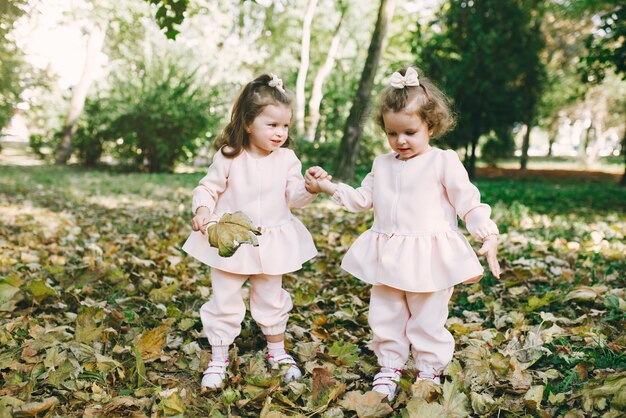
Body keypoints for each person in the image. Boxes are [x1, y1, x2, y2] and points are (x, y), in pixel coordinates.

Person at [304, 66, 501, 401]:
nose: (401, 141)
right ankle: (390, 364)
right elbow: (362, 199)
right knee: (386, 312)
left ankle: (428, 369)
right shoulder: (382, 164)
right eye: (392, 133)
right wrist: (327, 187)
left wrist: (485, 231)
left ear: (431, 125)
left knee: (427, 316)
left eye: (410, 132)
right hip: (389, 253)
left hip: (430, 255)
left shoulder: (443, 162)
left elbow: (468, 200)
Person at [183, 73, 328, 389]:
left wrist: (311, 188)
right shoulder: (230, 155)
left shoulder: (287, 159)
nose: (280, 133)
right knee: (225, 298)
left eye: (285, 126)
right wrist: (203, 209)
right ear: (248, 123)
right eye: (272, 125)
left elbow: (294, 196)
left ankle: (277, 351)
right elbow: (208, 187)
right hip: (231, 240)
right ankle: (219, 356)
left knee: (270, 296)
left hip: (270, 242)